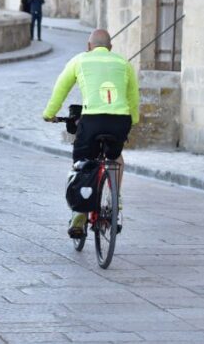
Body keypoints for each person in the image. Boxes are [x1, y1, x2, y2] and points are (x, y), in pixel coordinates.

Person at [42, 29, 139, 238]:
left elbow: (61, 88)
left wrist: (49, 113)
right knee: (115, 157)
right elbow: (133, 96)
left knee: (82, 161)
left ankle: (79, 214)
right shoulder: (124, 63)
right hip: (119, 121)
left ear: (88, 46)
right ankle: (115, 201)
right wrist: (135, 120)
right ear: (110, 48)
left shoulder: (80, 60)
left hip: (92, 120)